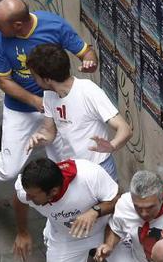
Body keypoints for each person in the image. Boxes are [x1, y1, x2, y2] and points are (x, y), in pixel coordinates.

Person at [0, 0, 97, 206]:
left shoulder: (54, 25)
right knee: (8, 168)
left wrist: (90, 62)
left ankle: (63, 207)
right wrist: (37, 102)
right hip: (20, 109)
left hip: (56, 107)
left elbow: (87, 52)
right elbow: (4, 81)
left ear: (17, 25)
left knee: (63, 163)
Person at [26, 43, 132, 179]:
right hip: (72, 169)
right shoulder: (49, 95)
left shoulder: (88, 91)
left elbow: (125, 129)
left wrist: (112, 145)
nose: (33, 80)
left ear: (47, 79)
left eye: (34, 76)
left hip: (99, 168)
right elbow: (49, 133)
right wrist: (39, 138)